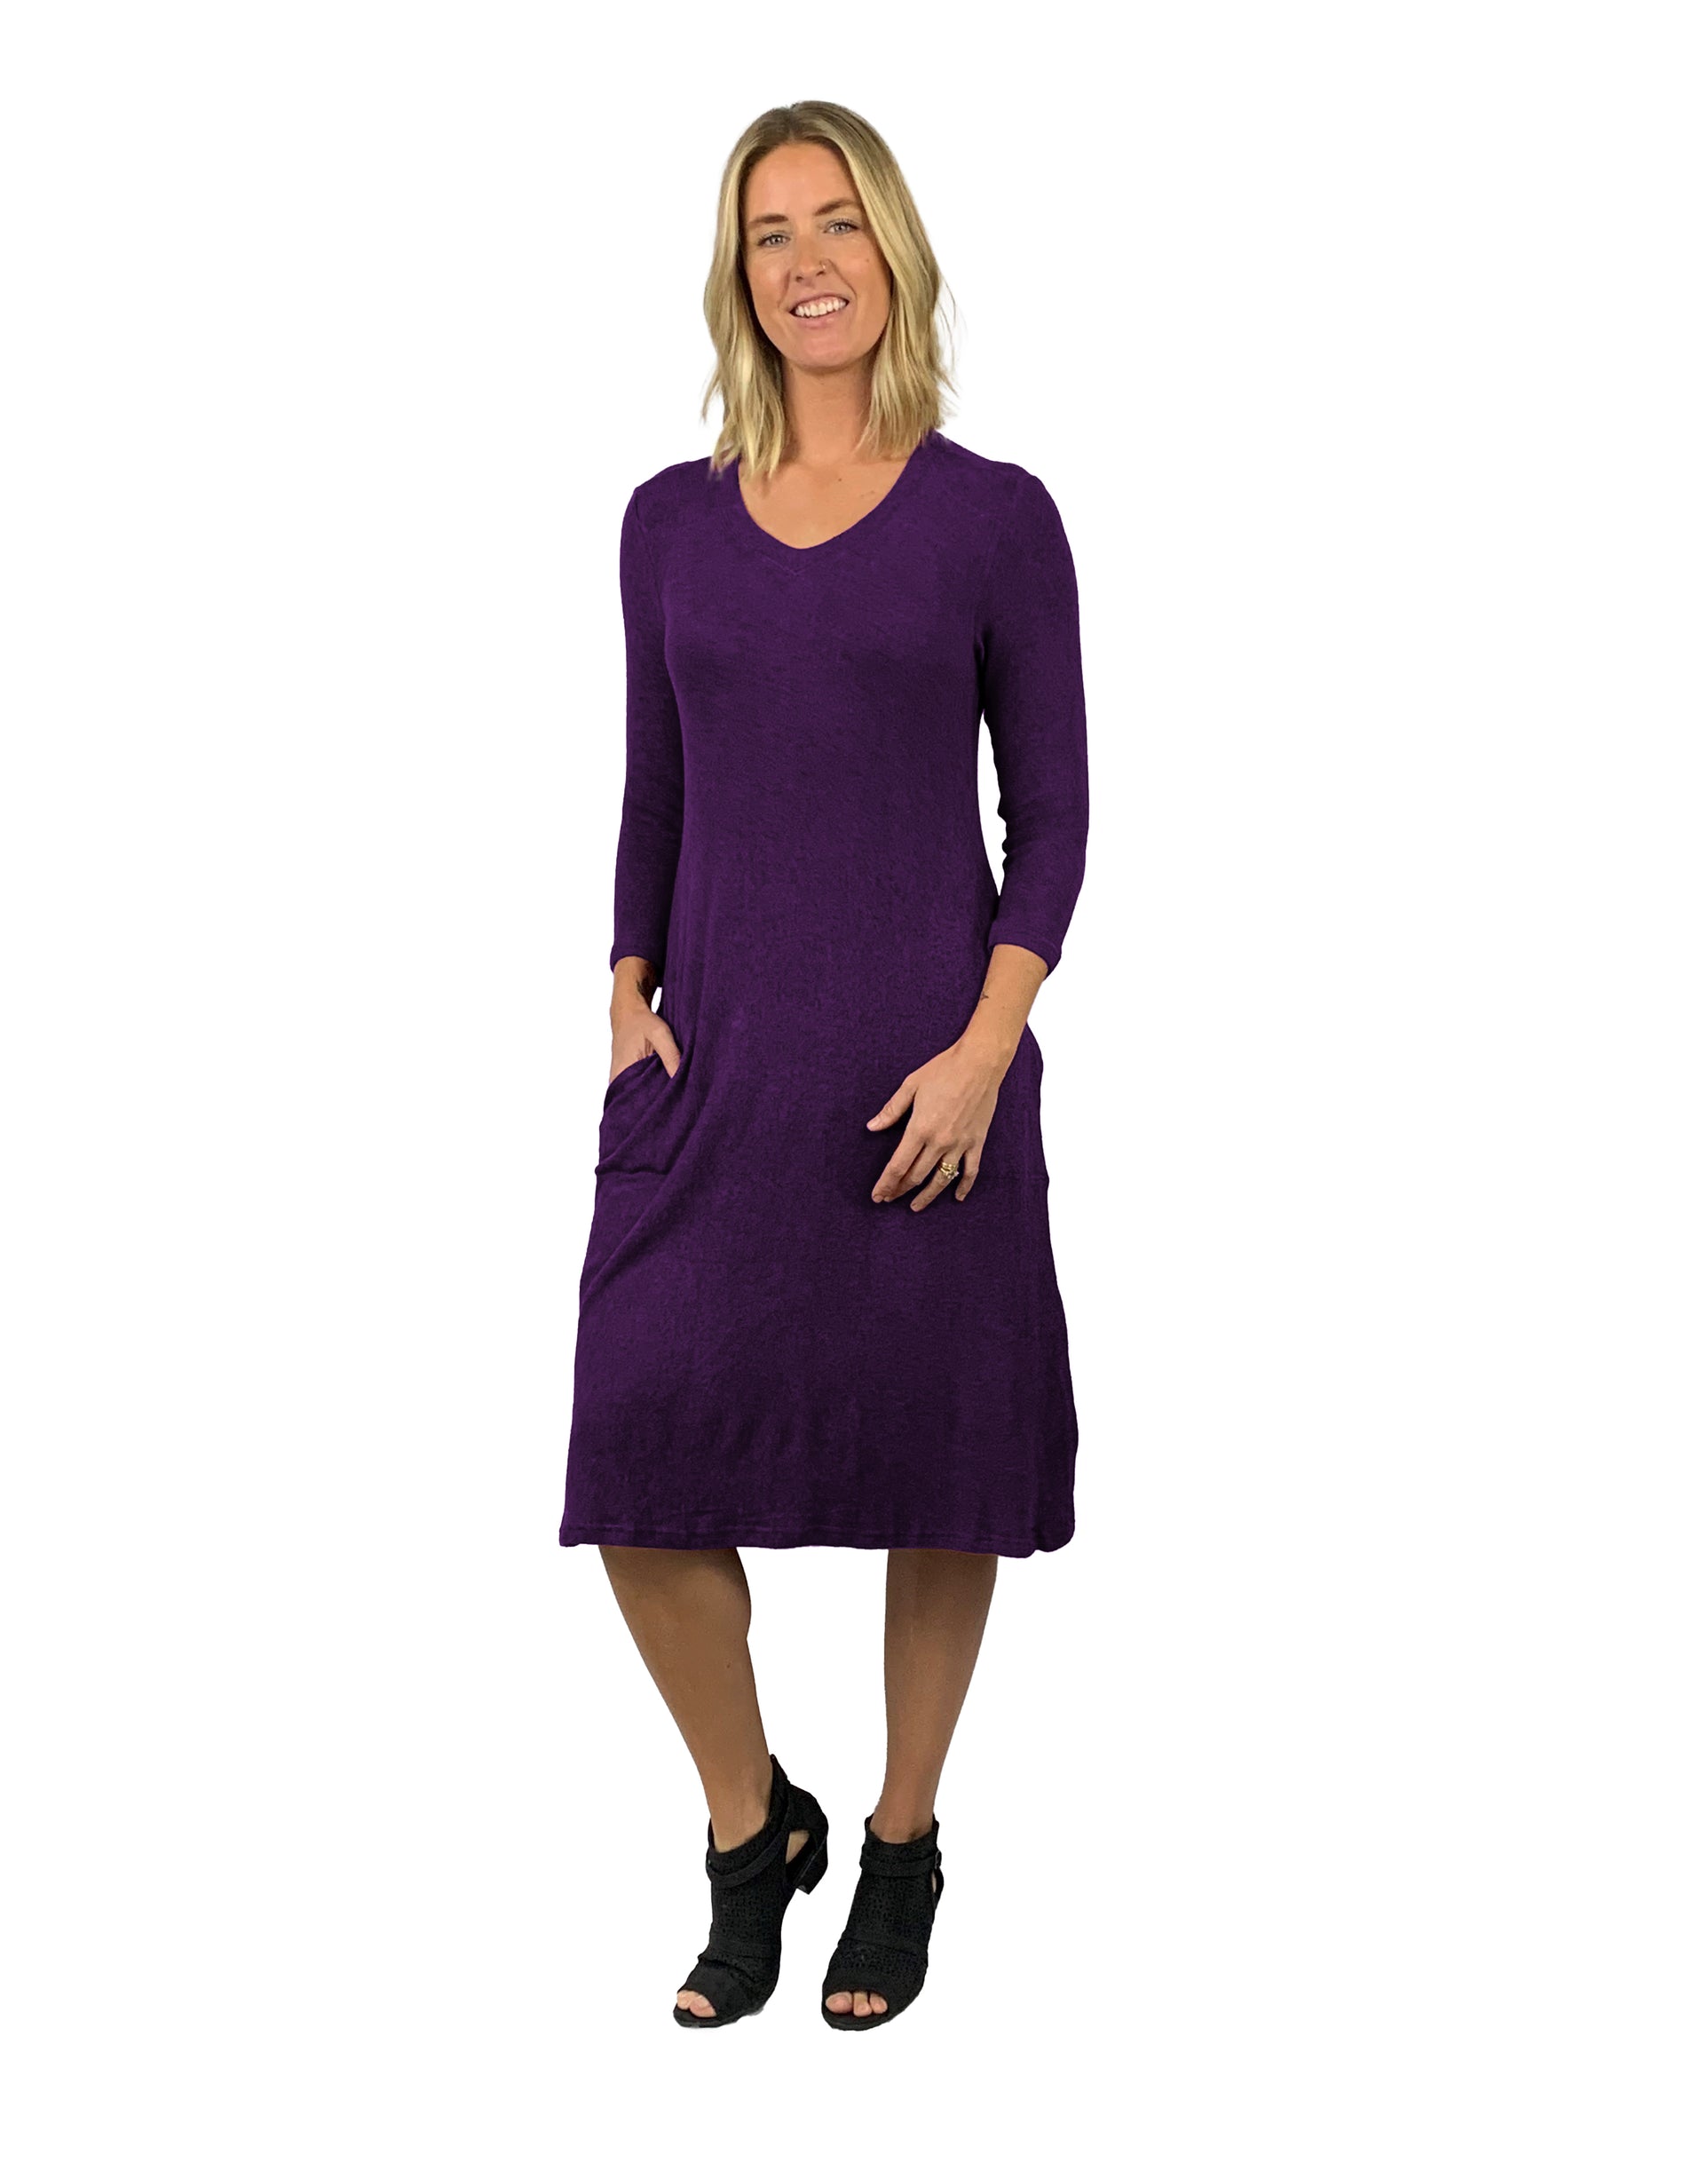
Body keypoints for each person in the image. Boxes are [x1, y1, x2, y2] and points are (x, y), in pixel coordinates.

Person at [561, 99, 1089, 2031]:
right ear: (738, 272)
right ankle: (748, 1824)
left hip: (930, 1078)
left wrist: (982, 1051)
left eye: (839, 219)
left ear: (895, 250)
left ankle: (901, 1840)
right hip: (714, 1073)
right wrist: (623, 988)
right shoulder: (668, 521)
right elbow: (657, 784)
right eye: (770, 229)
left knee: (942, 1468)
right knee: (636, 1456)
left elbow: (1053, 814)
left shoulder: (993, 517)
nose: (807, 260)